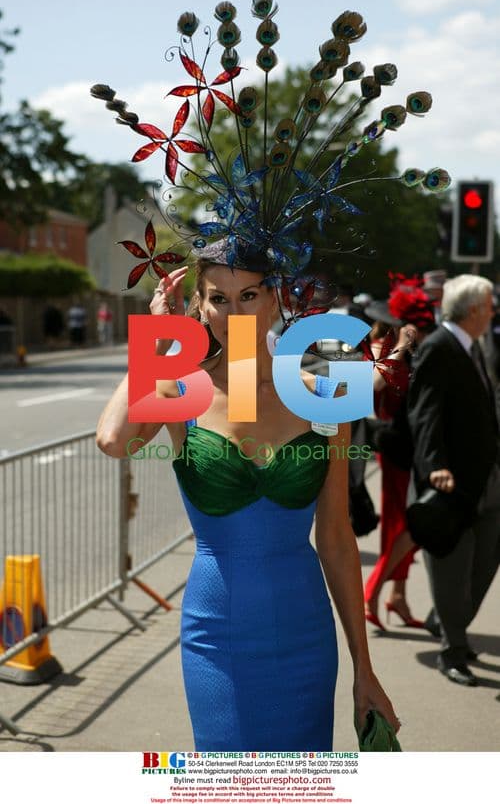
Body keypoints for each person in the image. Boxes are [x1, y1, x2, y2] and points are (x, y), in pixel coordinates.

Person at [96, 246, 399, 749]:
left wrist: (363, 668)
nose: (234, 312)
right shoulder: (179, 388)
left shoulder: (324, 390)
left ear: (274, 299)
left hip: (306, 635)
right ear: (199, 307)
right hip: (218, 636)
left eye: (249, 295)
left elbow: (337, 538)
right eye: (219, 298)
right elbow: (112, 440)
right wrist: (159, 339)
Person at [407, 274, 500, 686]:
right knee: (452, 569)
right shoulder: (439, 347)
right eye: (490, 304)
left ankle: (445, 620)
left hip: (485, 480)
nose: (494, 311)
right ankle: (452, 651)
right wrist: (434, 467)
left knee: (485, 562)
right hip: (450, 485)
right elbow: (425, 411)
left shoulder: (474, 346)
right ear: (474, 310)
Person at [362, 278, 436, 631]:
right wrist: (400, 347)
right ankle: (376, 591)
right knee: (402, 523)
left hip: (412, 445)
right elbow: (375, 384)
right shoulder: (381, 343)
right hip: (392, 446)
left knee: (408, 521)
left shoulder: (413, 347)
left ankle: (398, 596)